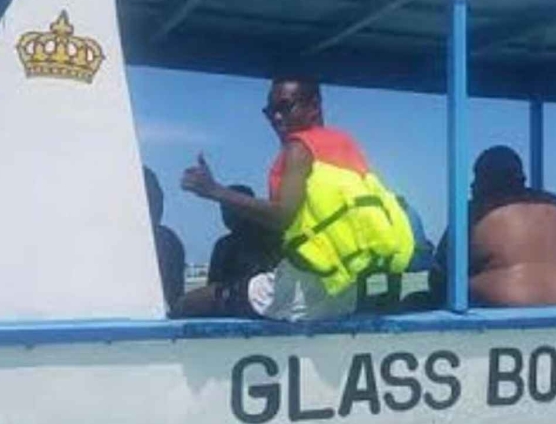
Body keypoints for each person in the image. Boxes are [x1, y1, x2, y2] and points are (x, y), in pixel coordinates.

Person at [176, 78, 415, 321]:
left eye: (285, 107)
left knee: (188, 304)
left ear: (314, 106)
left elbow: (283, 216)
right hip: (343, 294)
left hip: (297, 293)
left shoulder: (298, 149)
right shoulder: (347, 146)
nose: (276, 117)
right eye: (270, 111)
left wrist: (214, 190)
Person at [431, 146, 556, 308]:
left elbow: (438, 275)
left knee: (419, 300)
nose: (472, 185)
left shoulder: (475, 210)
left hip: (506, 302)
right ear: (521, 178)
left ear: (486, 179)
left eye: (477, 177)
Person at [205, 184, 279, 288]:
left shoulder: (225, 245)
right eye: (223, 209)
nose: (225, 214)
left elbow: (213, 291)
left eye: (229, 208)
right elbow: (213, 288)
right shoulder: (224, 244)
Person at [143, 168, 188, 312]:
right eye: (150, 196)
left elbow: (175, 302)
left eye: (158, 195)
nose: (159, 202)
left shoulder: (168, 240)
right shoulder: (166, 240)